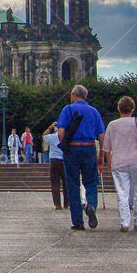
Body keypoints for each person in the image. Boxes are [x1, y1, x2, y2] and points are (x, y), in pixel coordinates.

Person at [57, 84, 106, 230]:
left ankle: (78, 222)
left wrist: (64, 144)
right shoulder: (94, 111)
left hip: (72, 148)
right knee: (91, 182)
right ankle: (91, 205)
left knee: (72, 184)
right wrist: (101, 154)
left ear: (73, 95)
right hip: (89, 147)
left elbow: (60, 133)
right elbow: (102, 136)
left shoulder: (68, 109)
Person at [102, 96, 137, 231]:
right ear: (132, 108)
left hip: (119, 163)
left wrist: (109, 163)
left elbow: (107, 147)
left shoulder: (112, 125)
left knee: (122, 192)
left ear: (119, 108)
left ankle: (125, 222)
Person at [43, 122, 68, 210]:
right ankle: (67, 203)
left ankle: (57, 204)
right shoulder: (66, 137)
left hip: (54, 160)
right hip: (64, 160)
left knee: (55, 183)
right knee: (66, 183)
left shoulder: (52, 137)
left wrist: (50, 127)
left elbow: (44, 135)